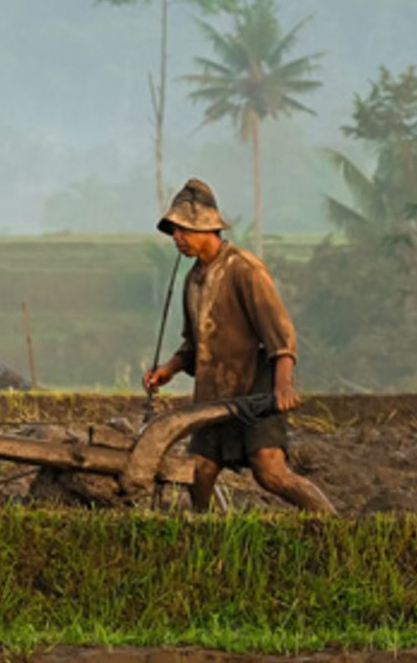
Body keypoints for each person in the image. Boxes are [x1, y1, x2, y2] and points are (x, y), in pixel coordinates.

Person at [141, 178, 334, 514]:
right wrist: (168, 371)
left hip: (254, 383)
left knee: (269, 471)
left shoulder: (244, 268)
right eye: (174, 230)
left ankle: (333, 524)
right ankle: (206, 536)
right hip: (214, 390)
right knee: (199, 471)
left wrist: (283, 384)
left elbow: (279, 332)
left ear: (207, 228)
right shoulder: (192, 280)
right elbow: (193, 343)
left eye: (183, 230)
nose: (177, 238)